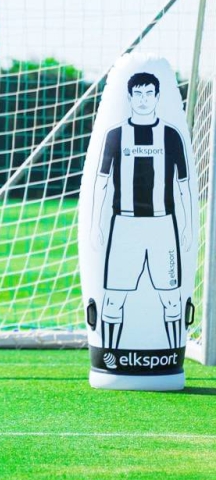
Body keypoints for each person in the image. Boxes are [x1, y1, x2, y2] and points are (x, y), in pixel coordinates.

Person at [89, 71, 194, 349]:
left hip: (162, 227)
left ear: (157, 97)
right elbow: (101, 181)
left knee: (171, 298)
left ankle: (171, 354)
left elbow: (183, 184)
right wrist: (96, 224)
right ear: (129, 97)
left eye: (149, 94)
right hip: (124, 226)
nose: (144, 100)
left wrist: (187, 226)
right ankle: (111, 356)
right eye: (138, 94)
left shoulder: (170, 136)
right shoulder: (116, 134)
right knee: (113, 298)